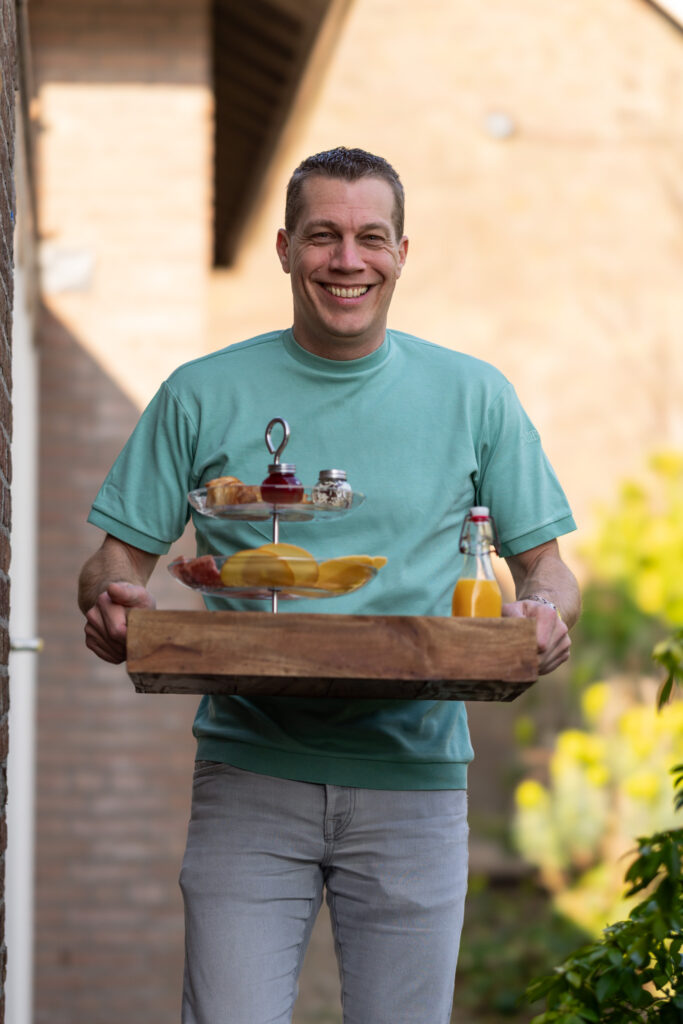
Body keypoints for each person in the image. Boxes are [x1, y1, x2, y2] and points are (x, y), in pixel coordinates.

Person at [79, 146, 580, 1024]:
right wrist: (113, 598)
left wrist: (542, 615)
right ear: (283, 249)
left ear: (401, 253)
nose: (348, 260)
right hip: (250, 771)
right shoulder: (201, 393)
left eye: (370, 238)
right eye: (322, 236)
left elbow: (546, 569)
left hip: (414, 780)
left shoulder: (473, 395)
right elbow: (114, 559)